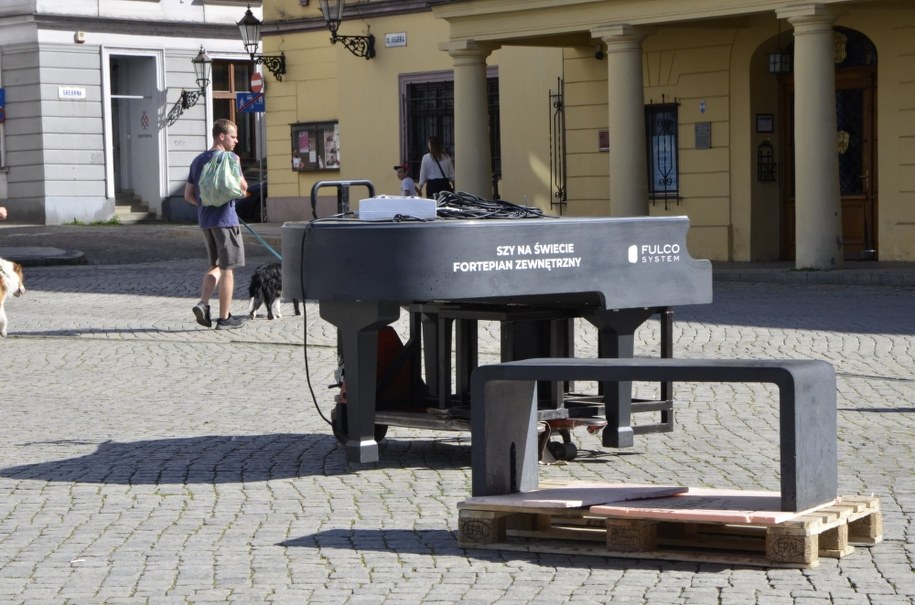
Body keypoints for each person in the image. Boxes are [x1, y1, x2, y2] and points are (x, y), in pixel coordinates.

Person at [184, 118, 248, 330]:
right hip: (226, 221)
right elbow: (242, 187)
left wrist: (204, 205)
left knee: (216, 266)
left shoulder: (198, 160)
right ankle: (224, 318)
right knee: (228, 268)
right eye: (233, 136)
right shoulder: (231, 159)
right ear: (221, 136)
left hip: (206, 221)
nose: (236, 140)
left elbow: (188, 195)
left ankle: (203, 303)